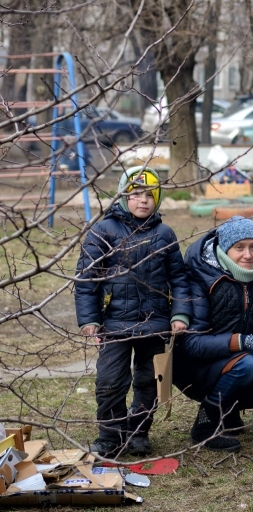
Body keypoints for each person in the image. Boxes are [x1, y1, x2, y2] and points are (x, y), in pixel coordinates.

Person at [74, 166, 190, 457]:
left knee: (148, 379)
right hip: (114, 323)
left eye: (150, 195)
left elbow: (179, 279)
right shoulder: (103, 230)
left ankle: (139, 432)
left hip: (154, 323)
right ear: (124, 197)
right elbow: (87, 278)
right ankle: (110, 435)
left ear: (158, 198)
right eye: (136, 194)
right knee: (110, 380)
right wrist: (89, 319)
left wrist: (179, 314)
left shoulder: (165, 234)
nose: (143, 201)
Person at [176, 217, 253, 452]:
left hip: (238, 361)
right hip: (195, 368)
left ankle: (228, 412)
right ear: (225, 248)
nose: (248, 255)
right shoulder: (201, 280)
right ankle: (205, 428)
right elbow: (191, 343)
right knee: (247, 363)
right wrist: (242, 341)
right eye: (239, 247)